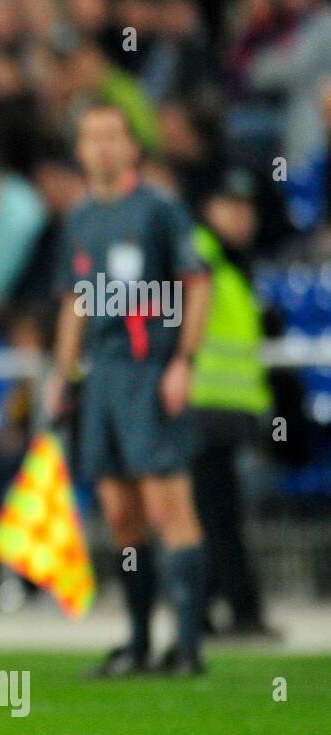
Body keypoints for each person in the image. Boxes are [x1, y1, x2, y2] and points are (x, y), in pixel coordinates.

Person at [45, 103, 212, 677]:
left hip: (151, 368)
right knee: (121, 514)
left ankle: (188, 644)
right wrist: (63, 375)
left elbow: (198, 284)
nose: (103, 147)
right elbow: (74, 302)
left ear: (132, 147)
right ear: (81, 150)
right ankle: (139, 641)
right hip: (103, 378)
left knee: (171, 505)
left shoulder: (160, 209)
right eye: (91, 137)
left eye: (113, 136)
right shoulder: (80, 217)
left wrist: (183, 362)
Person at [189, 171, 276, 639]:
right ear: (210, 209)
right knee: (211, 517)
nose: (243, 217)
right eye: (232, 206)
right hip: (201, 407)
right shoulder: (200, 254)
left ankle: (213, 612)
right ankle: (224, 612)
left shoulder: (232, 265)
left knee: (217, 515)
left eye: (248, 208)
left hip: (225, 412)